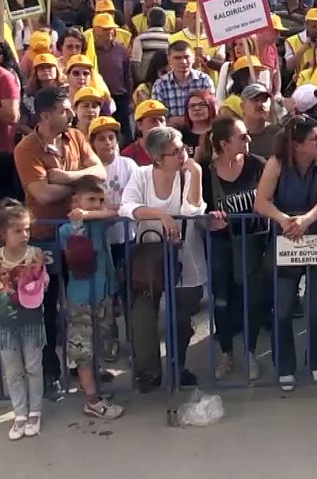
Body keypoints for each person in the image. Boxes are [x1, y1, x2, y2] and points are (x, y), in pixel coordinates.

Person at [13, 86, 106, 398]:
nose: (70, 114)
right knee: (47, 309)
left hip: (79, 234)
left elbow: (100, 173)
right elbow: (41, 193)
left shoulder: (76, 137)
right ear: (45, 115)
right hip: (44, 238)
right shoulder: (25, 148)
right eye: (64, 110)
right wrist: (78, 184)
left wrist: (62, 177)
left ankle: (86, 368)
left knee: (83, 305)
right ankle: (51, 372)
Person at [119, 126, 207, 392]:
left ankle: (177, 366)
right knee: (142, 315)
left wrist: (197, 173)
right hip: (149, 260)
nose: (182, 155)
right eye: (175, 152)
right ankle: (149, 372)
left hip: (185, 257)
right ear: (158, 158)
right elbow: (127, 206)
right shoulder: (141, 175)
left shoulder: (189, 174)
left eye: (183, 149)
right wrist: (160, 214)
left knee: (181, 318)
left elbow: (193, 210)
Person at [254, 116, 317, 391]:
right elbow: (261, 201)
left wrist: (306, 220)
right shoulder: (276, 163)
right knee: (283, 308)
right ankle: (285, 367)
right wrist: (284, 219)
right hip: (287, 239)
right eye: (314, 138)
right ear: (297, 145)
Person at [198, 116, 269, 382]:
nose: (248, 140)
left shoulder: (258, 166)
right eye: (241, 137)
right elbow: (195, 210)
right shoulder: (205, 172)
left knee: (251, 298)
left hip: (251, 244)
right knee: (221, 299)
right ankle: (226, 351)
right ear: (224, 144)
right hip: (220, 245)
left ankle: (250, 351)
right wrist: (207, 220)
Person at [0, 200, 48, 440]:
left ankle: (35, 411)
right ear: (3, 234)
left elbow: (44, 284)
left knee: (33, 367)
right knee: (13, 370)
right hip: (5, 322)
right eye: (18, 230)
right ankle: (20, 413)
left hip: (31, 319)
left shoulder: (35, 254)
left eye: (27, 229)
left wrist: (39, 276)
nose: (24, 234)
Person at [57, 177, 127, 420]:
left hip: (103, 294)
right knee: (83, 350)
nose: (97, 204)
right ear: (75, 201)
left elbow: (115, 212)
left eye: (100, 199)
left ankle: (94, 389)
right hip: (81, 298)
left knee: (97, 343)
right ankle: (92, 401)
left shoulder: (98, 222)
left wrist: (87, 213)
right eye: (90, 200)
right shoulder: (67, 229)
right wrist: (80, 220)